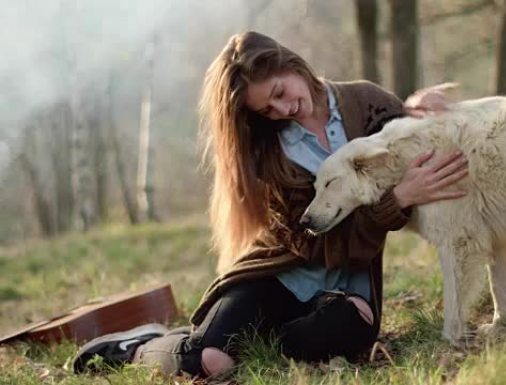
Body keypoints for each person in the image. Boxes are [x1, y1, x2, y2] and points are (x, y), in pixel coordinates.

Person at [72, 31, 468, 379]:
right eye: (266, 110)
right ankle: (140, 348)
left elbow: (403, 139)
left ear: (292, 64)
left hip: (347, 289)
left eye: (278, 94)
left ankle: (249, 338)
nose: (281, 111)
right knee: (211, 361)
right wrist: (395, 201)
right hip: (279, 277)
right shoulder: (270, 153)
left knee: (350, 331)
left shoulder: (365, 101)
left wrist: (417, 106)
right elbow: (309, 239)